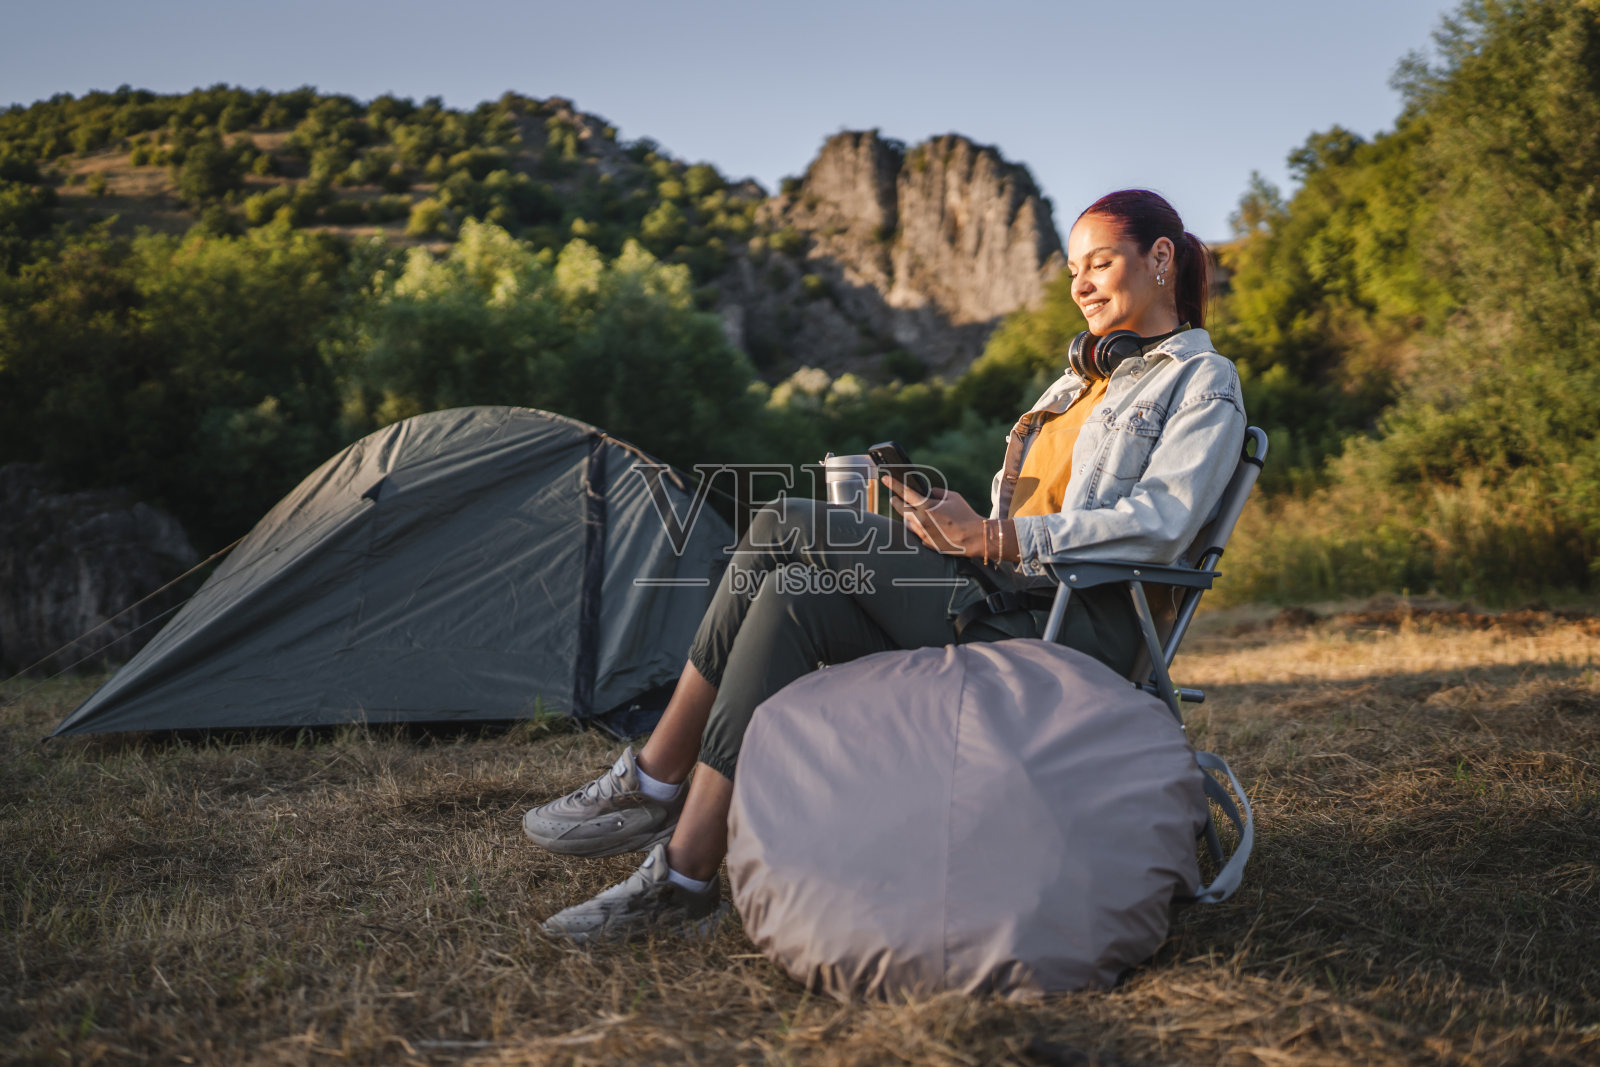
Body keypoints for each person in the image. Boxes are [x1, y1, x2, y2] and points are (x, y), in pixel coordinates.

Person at [522, 189, 1247, 942]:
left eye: (1100, 263)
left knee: (781, 521)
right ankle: (683, 876)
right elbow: (1016, 521)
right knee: (790, 597)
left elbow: (1161, 527)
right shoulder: (1069, 388)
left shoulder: (1200, 381)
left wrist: (990, 541)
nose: (1082, 285)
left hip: (1078, 630)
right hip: (1004, 598)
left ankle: (654, 776)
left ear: (1160, 258)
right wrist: (950, 530)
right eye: (1072, 270)